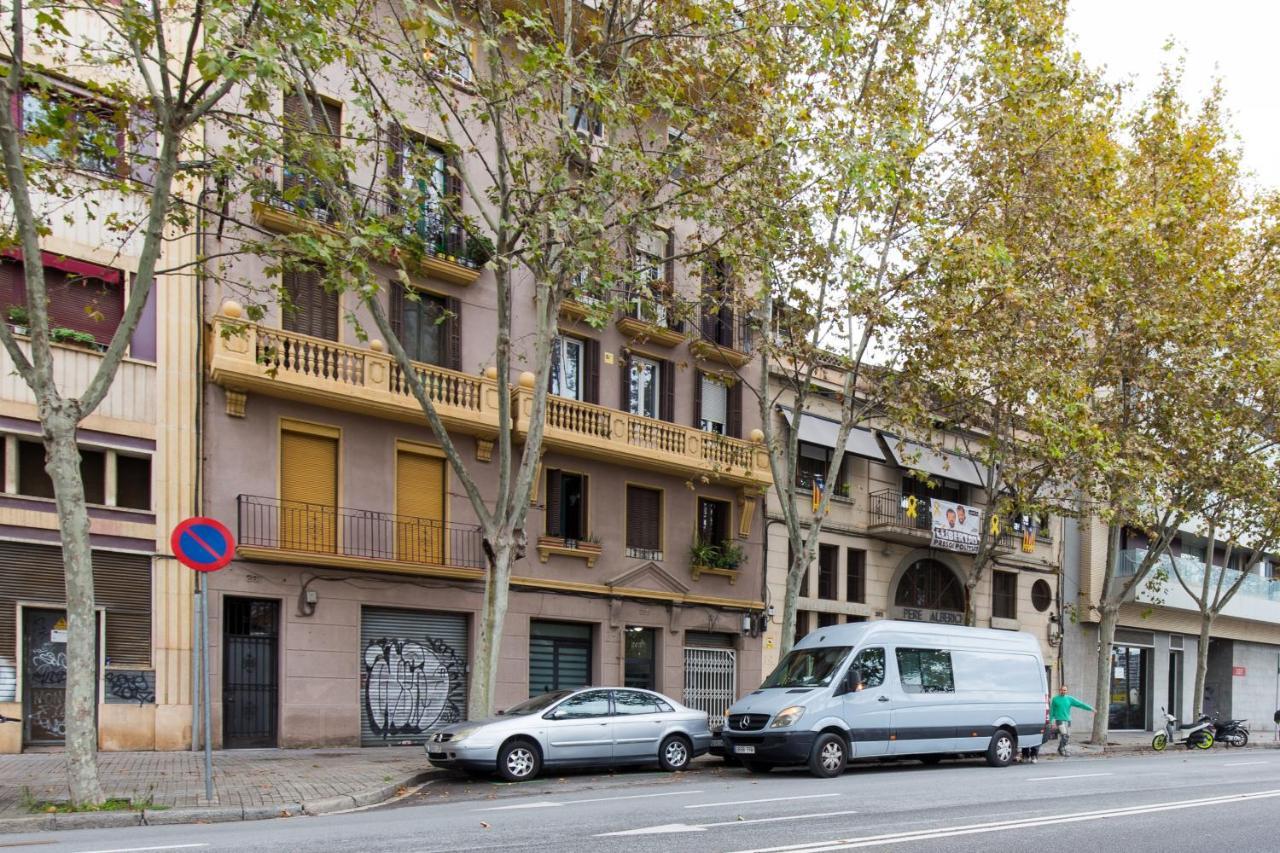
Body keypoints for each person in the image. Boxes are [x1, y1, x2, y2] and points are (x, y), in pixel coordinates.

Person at [1050, 685, 1094, 757]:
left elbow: (1080, 704)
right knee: (1064, 735)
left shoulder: (1069, 699)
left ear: (1066, 691)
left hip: (1068, 720)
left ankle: (1060, 748)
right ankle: (1062, 749)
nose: (1063, 691)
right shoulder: (1055, 699)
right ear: (1059, 690)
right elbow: (1052, 711)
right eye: (1062, 690)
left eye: (1065, 690)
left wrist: (1091, 709)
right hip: (1059, 720)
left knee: (1067, 736)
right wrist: (1051, 721)